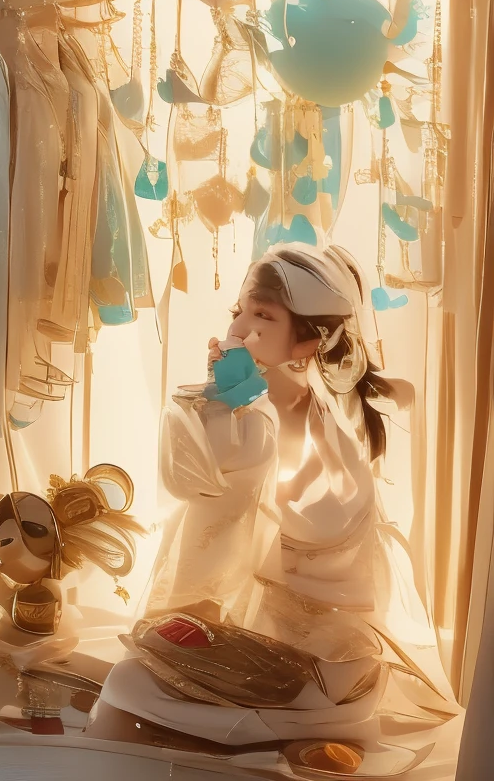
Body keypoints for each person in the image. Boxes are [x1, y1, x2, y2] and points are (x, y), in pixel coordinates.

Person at [86, 240, 457, 760]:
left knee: (138, 689)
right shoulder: (253, 409)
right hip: (252, 621)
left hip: (316, 645)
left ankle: (280, 726)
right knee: (130, 682)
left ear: (308, 343)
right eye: (239, 311)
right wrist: (226, 407)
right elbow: (194, 484)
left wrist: (236, 413)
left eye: (262, 315)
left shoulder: (321, 432)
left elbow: (302, 524)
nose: (239, 328)